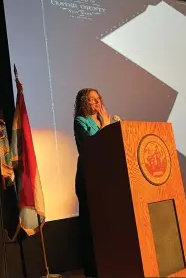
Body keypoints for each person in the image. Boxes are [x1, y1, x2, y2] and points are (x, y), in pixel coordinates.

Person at [73, 88, 111, 278]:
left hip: (107, 180)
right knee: (91, 228)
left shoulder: (106, 120)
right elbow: (91, 148)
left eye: (98, 99)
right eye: (91, 100)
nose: (96, 102)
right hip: (88, 180)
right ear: (83, 103)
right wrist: (106, 126)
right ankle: (93, 271)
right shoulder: (80, 122)